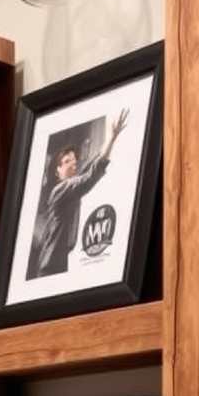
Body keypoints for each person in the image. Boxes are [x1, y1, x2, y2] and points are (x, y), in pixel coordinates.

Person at [31, 108, 129, 278]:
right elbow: (89, 177)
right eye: (67, 161)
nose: (72, 164)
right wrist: (111, 138)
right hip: (49, 267)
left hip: (58, 265)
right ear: (57, 170)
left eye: (74, 161)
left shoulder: (70, 189)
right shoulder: (60, 190)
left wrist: (110, 141)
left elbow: (88, 168)